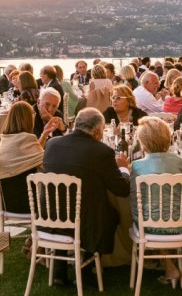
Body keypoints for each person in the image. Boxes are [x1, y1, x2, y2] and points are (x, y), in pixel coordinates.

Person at [43, 108, 130, 285]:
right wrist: (124, 170)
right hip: (84, 223)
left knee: (66, 206)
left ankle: (59, 269)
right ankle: (86, 264)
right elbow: (121, 189)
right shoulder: (101, 151)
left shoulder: (52, 144)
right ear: (98, 132)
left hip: (49, 217)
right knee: (112, 214)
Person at [129, 116, 182, 285]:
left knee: (151, 217)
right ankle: (171, 264)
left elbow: (134, 201)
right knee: (164, 214)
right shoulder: (179, 162)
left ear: (143, 142)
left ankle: (166, 264)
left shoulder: (137, 166)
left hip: (151, 226)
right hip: (181, 224)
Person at [0, 102, 45, 214]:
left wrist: (44, 135)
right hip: (18, 203)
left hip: (1, 198)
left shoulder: (6, 138)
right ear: (28, 119)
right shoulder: (25, 139)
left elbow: (34, 158)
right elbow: (45, 163)